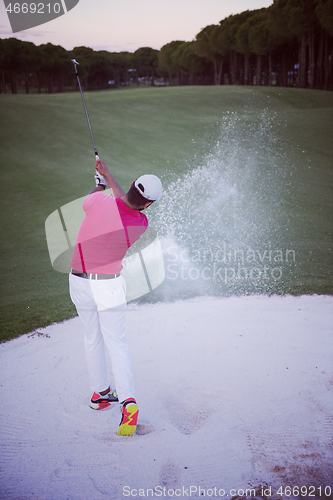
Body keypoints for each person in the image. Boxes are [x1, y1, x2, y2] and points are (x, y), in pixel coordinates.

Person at [69, 159, 162, 436]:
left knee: (91, 336)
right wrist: (107, 176)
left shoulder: (98, 202)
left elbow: (99, 199)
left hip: (78, 280)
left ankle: (99, 395)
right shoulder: (140, 223)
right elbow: (125, 202)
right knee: (117, 343)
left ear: (133, 184)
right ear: (148, 205)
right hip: (107, 286)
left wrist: (100, 181)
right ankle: (128, 402)